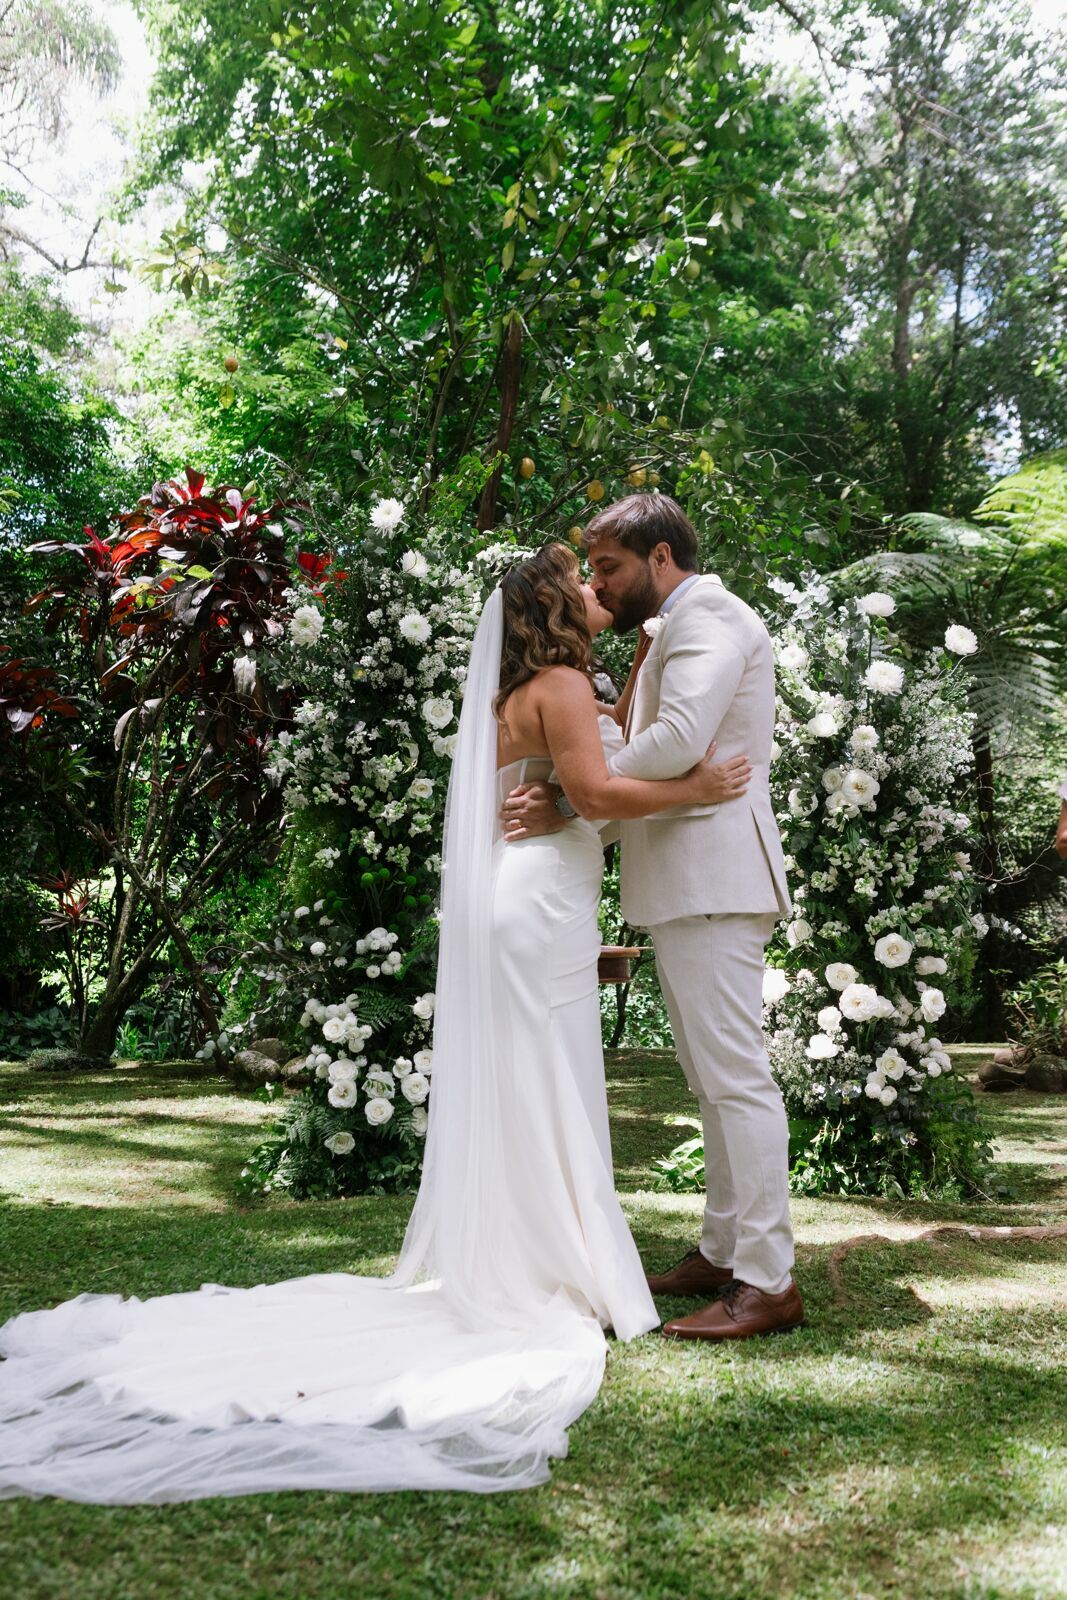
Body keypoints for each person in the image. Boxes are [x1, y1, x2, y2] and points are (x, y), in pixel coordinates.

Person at [0, 542, 750, 1504]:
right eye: (579, 579)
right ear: (552, 604)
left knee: (537, 1076)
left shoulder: (531, 688)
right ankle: (560, 1269)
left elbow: (577, 772)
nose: (594, 588)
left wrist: (632, 691)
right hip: (541, 900)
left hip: (522, 897)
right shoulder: (559, 682)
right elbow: (598, 795)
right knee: (551, 1078)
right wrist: (697, 789)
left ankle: (542, 1259)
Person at [501, 493, 805, 1341]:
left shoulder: (707, 617)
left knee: (735, 1080)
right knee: (711, 1082)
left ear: (661, 558)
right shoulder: (673, 626)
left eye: (608, 567)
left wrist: (569, 797)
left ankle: (767, 1282)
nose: (597, 582)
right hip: (688, 883)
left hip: (713, 879)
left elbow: (675, 739)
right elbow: (652, 732)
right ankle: (721, 1250)